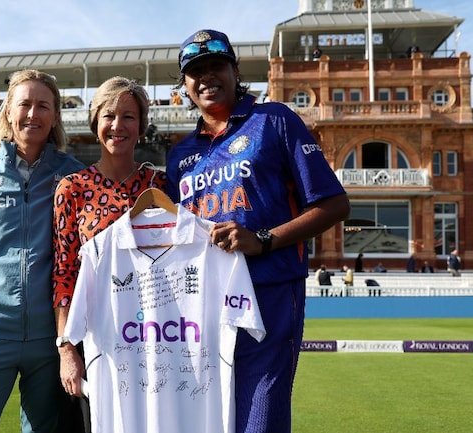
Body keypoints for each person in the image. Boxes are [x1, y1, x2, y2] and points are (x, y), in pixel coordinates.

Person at [165, 29, 350, 433]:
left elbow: (334, 204)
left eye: (216, 66)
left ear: (235, 70)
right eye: (195, 71)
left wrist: (262, 240)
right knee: (206, 419)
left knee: (259, 421)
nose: (207, 77)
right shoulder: (179, 156)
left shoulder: (275, 120)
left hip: (270, 292)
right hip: (201, 304)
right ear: (184, 87)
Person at [0, 69, 84, 433]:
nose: (33, 114)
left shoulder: (73, 177)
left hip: (48, 340)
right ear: (8, 110)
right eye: (25, 104)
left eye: (43, 106)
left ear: (55, 117)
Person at [52, 76, 167, 430]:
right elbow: (64, 273)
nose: (118, 126)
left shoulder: (159, 186)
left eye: (129, 117)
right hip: (97, 341)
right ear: (95, 122)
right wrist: (67, 349)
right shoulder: (72, 189)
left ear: (142, 125)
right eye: (109, 116)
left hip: (157, 337)